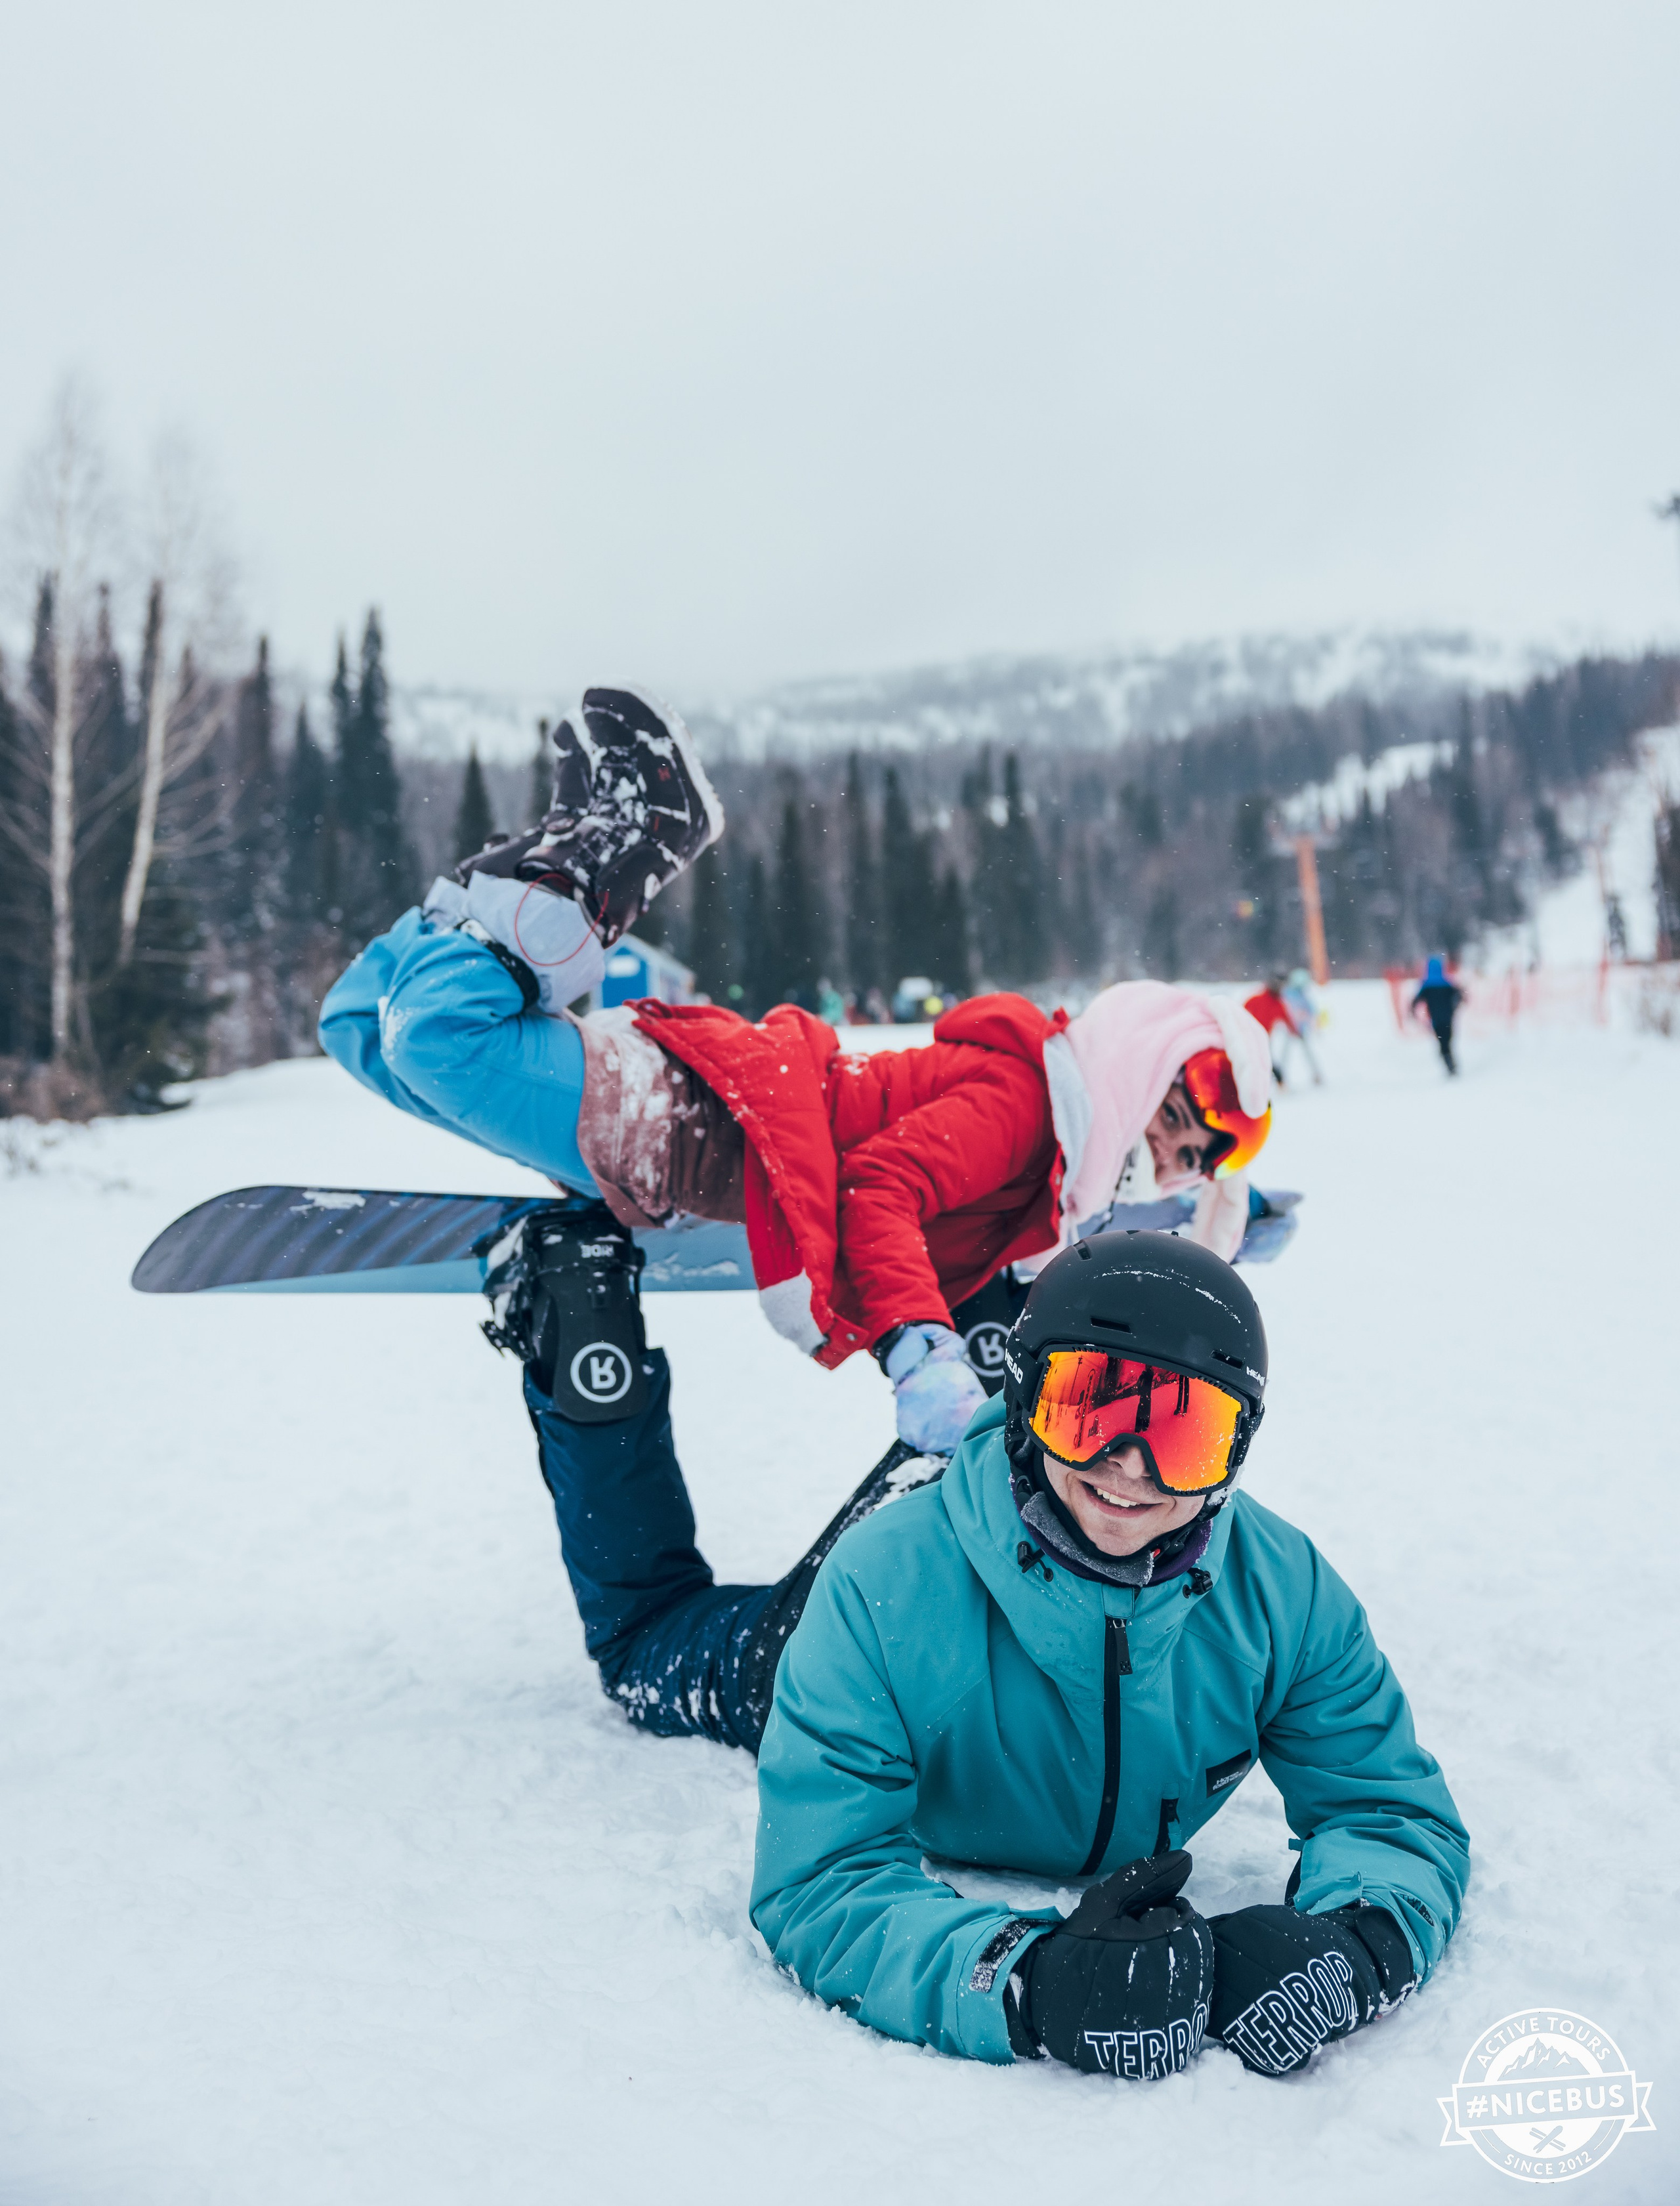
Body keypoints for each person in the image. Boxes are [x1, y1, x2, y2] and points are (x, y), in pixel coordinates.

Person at [507, 1220, 1467, 2075]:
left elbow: (1387, 1808)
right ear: (1025, 1400)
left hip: (1000, 1517)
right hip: (872, 1621)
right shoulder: (875, 1590)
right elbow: (820, 1876)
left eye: (1183, 1431)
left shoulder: (1284, 1594)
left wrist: (1362, 1942)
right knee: (650, 1644)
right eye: (1090, 1409)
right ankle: (576, 1325)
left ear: (1238, 1449)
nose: (1130, 1469)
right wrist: (1026, 1980)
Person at [320, 686, 1276, 1454]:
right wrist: (918, 1346)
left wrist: (1224, 1217)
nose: (1167, 1161)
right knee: (435, 1039)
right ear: (1140, 1068)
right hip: (700, 1123)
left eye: (1191, 1160)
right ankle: (617, 849)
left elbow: (1070, 1235)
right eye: (1171, 1123)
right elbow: (879, 1187)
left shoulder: (1067, 1166)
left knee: (359, 1025)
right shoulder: (1032, 1106)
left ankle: (520, 873)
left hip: (711, 1133)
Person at [1242, 973, 1299, 1087]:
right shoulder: (1257, 999)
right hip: (1249, 1036)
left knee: (1265, 1061)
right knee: (1255, 1061)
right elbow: (1241, 1012)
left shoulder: (1279, 1004)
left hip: (1264, 1038)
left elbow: (1287, 1020)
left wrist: (1295, 1031)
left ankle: (1278, 1082)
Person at [1412, 956, 1464, 1075]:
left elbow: (1415, 1001)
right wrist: (1454, 1007)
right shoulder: (1448, 984)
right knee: (1448, 1041)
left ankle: (1449, 1063)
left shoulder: (1426, 986)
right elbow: (1460, 995)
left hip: (1436, 1020)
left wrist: (1413, 1013)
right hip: (1448, 1018)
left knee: (1442, 1043)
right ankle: (1451, 1063)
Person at [1279, 967, 1325, 1086]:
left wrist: (1313, 1025)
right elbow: (1283, 1011)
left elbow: (1312, 1011)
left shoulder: (1302, 995)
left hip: (1301, 1030)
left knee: (1308, 1053)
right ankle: (1281, 1077)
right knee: (1285, 1054)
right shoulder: (1286, 994)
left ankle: (1316, 1075)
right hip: (1290, 1029)